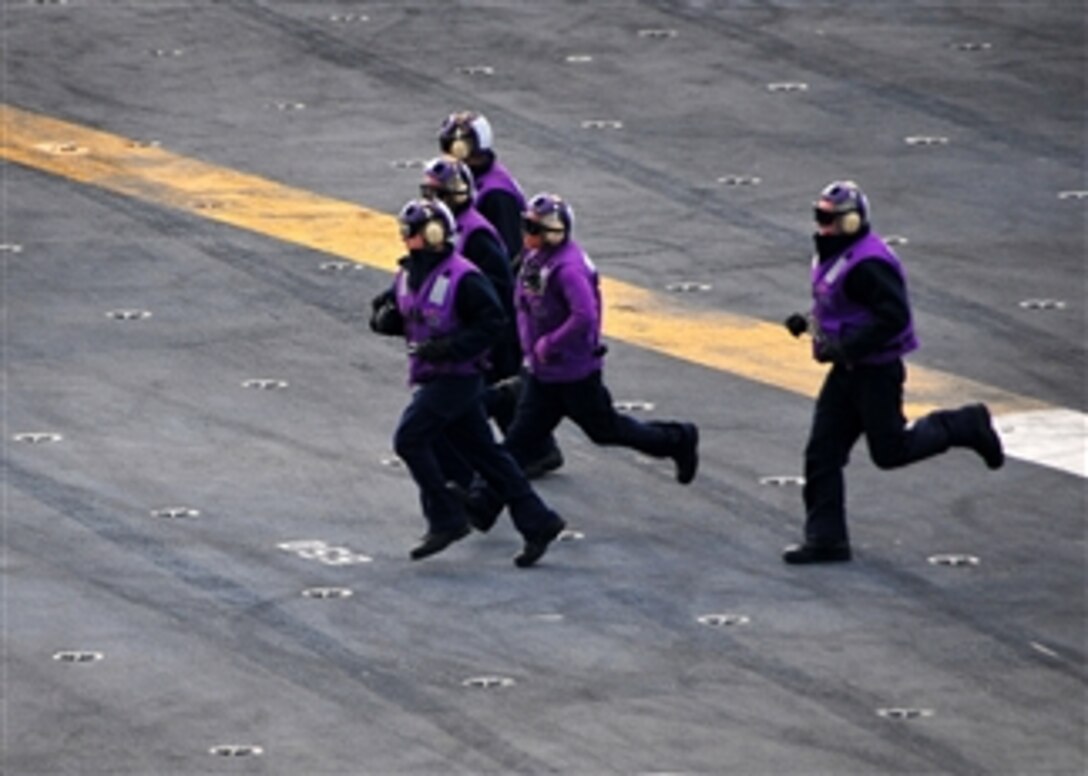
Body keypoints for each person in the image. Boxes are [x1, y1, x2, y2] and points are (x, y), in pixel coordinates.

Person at [781, 180, 1004, 565]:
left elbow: (893, 317)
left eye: (827, 219)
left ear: (851, 222)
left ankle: (965, 424)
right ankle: (826, 539)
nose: (820, 225)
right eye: (818, 216)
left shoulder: (868, 263)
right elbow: (841, 304)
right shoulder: (836, 255)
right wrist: (809, 321)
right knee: (822, 453)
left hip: (876, 372)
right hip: (848, 370)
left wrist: (847, 347)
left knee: (890, 452)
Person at [457, 193, 700, 531]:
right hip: (542, 375)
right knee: (519, 441)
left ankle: (676, 439)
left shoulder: (568, 268)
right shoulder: (535, 257)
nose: (525, 232)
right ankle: (483, 505)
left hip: (574, 374)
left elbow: (584, 316)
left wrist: (548, 343)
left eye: (532, 228)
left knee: (605, 431)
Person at [368, 198, 566, 567]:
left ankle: (446, 518)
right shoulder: (409, 274)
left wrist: (450, 348)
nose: (404, 238)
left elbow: (493, 323)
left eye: (409, 233)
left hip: (456, 378)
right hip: (436, 375)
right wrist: (386, 320)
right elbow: (403, 313)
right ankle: (539, 521)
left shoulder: (464, 276)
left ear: (431, 233)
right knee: (488, 457)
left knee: (409, 439)